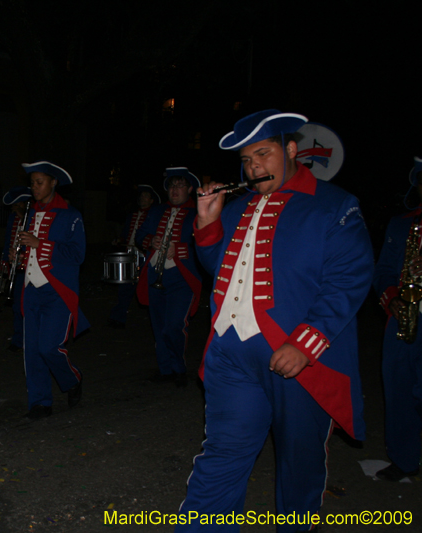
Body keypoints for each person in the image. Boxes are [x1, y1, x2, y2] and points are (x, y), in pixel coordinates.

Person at [176, 110, 373, 532]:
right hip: (231, 355)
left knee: (298, 470)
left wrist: (306, 342)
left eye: (262, 154)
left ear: (290, 150)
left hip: (294, 361)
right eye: (246, 160)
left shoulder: (335, 205)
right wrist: (209, 224)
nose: (253, 167)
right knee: (222, 454)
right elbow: (219, 269)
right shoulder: (237, 206)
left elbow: (348, 279)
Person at [14, 161, 89, 419]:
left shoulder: (71, 215)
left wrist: (39, 244)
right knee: (32, 351)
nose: (34, 188)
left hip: (57, 290)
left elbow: (77, 254)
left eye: (39, 182)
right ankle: (40, 402)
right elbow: (28, 250)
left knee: (49, 347)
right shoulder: (28, 213)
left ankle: (72, 379)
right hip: (31, 289)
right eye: (32, 183)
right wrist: (19, 254)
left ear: (53, 182)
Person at [372, 155, 422, 482]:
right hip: (406, 319)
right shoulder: (402, 224)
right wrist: (393, 301)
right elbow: (384, 272)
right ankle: (404, 459)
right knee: (400, 391)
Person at [135, 168, 202, 387]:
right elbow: (140, 235)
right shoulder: (156, 211)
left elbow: (206, 244)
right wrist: (150, 241)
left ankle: (179, 368)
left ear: (190, 189)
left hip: (181, 277)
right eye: (171, 186)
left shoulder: (198, 213)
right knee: (158, 326)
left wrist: (180, 249)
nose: (175, 190)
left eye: (180, 185)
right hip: (155, 272)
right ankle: (165, 370)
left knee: (173, 326)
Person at [108, 184, 158, 330]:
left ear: (151, 200)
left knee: (146, 287)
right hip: (129, 254)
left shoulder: (154, 216)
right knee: (125, 287)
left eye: (145, 196)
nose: (142, 198)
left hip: (144, 255)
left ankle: (154, 319)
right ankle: (118, 317)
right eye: (141, 196)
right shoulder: (133, 215)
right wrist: (119, 241)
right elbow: (126, 234)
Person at [1, 186, 32, 352]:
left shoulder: (32, 217)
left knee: (27, 305)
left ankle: (29, 339)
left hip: (31, 267)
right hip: (16, 266)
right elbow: (8, 240)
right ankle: (19, 339)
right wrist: (5, 261)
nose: (13, 207)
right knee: (17, 305)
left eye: (16, 203)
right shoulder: (13, 218)